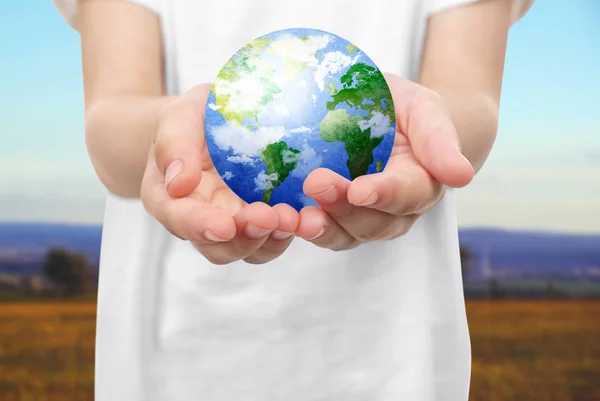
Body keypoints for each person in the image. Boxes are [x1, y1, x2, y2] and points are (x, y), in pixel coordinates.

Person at [52, 0, 533, 400]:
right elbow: (111, 125)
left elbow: (470, 97)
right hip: (173, 346)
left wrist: (428, 128)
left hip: (392, 347)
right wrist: (177, 132)